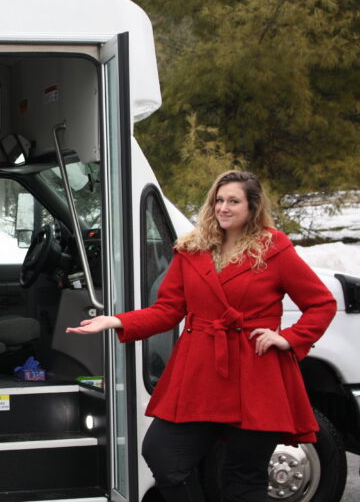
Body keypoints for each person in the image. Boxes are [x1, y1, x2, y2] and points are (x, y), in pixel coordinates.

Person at [67, 170, 336, 502]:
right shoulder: (191, 249)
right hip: (200, 374)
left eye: (233, 201)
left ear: (252, 206)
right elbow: (167, 310)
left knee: (244, 480)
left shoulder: (273, 249)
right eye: (218, 200)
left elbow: (321, 303)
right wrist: (115, 322)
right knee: (162, 453)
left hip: (256, 376)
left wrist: (290, 338)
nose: (223, 208)